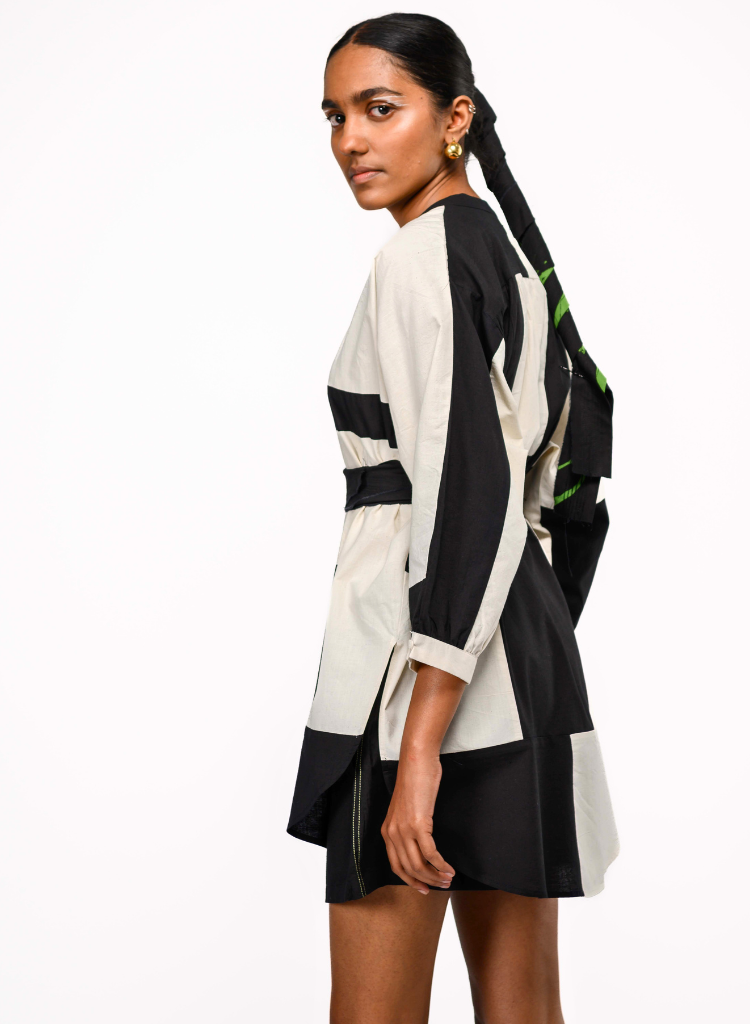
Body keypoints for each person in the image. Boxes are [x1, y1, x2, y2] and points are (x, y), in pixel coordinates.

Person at [287, 13, 619, 1023]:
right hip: (518, 663)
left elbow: (466, 492)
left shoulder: (422, 257)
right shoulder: (503, 256)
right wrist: (514, 647)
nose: (352, 139)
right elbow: (544, 499)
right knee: (525, 1009)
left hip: (418, 679)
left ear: (454, 119)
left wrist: (421, 743)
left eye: (380, 109)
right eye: (336, 116)